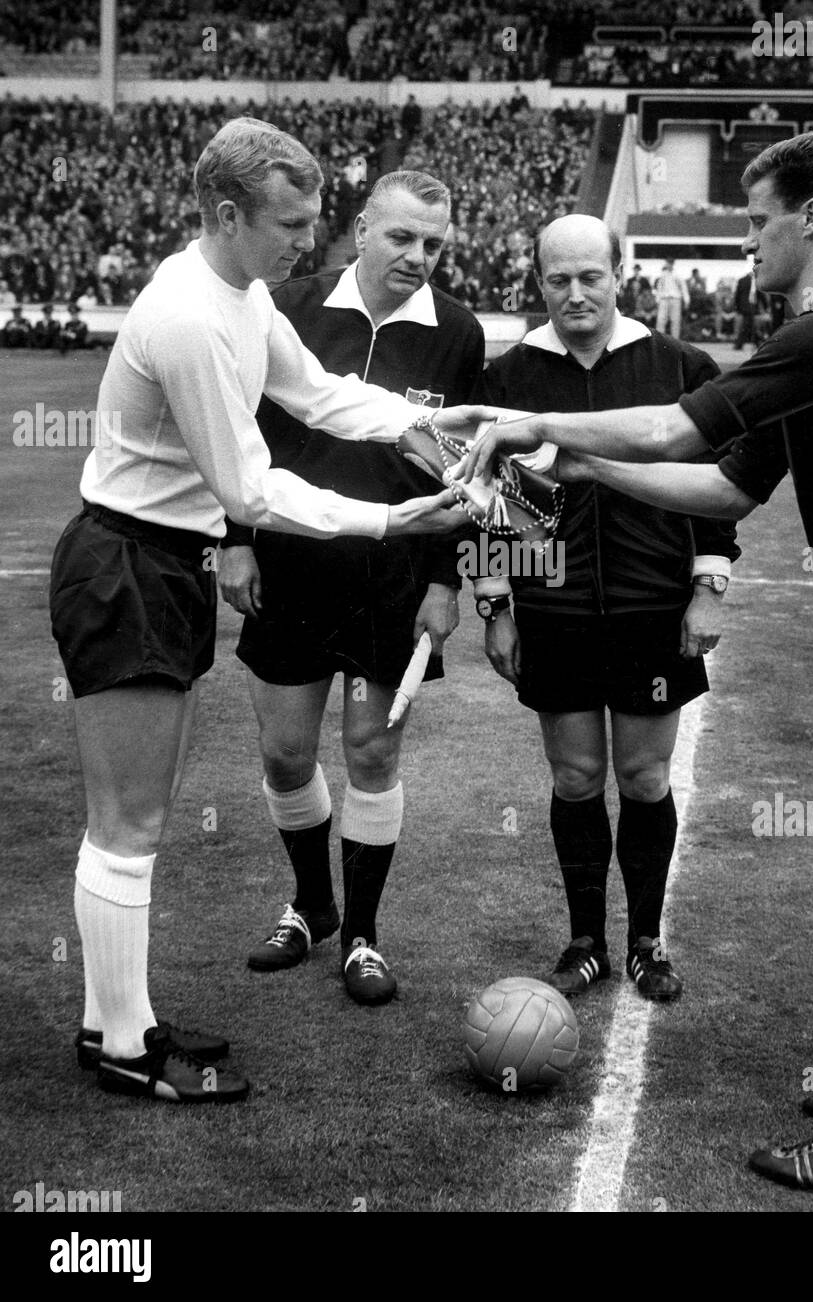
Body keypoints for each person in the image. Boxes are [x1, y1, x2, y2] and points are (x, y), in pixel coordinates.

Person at [462, 131, 813, 1196]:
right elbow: (723, 487)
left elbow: (670, 428)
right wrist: (572, 460)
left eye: (754, 220)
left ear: (808, 218)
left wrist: (531, 423)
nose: (744, 240)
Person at [49, 119, 471, 1107]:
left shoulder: (234, 291)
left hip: (159, 563)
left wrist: (424, 424)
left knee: (135, 816)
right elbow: (251, 490)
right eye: (290, 222)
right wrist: (395, 515)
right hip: (127, 565)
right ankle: (122, 1044)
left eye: (316, 219)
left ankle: (122, 1019)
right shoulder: (192, 315)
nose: (305, 240)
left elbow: (319, 393)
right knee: (129, 820)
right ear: (227, 214)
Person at [219, 170, 484, 1005]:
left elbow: (470, 467)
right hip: (290, 563)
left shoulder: (459, 332)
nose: (417, 257)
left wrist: (447, 581)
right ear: (363, 228)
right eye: (402, 237)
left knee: (372, 751)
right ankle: (311, 904)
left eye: (434, 245)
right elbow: (239, 432)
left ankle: (363, 936)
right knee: (285, 753)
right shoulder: (286, 304)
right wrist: (235, 542)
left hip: (394, 580)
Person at [472, 214, 738, 1002]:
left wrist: (706, 586)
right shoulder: (510, 377)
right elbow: (489, 497)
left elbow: (717, 488)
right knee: (579, 773)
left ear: (620, 274)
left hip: (653, 608)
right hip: (552, 610)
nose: (576, 293)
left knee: (647, 776)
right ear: (539, 281)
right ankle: (586, 937)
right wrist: (496, 602)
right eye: (559, 279)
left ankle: (647, 940)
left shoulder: (679, 365)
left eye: (592, 276)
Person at [654, 260, 684, 338]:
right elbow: (659, 287)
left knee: (675, 320)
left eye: (670, 264)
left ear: (673, 264)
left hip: (675, 299)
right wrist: (657, 299)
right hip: (664, 299)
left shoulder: (678, 274)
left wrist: (687, 299)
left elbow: (683, 287)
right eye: (668, 263)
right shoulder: (663, 275)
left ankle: (675, 340)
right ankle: (660, 339)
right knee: (661, 320)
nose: (669, 265)